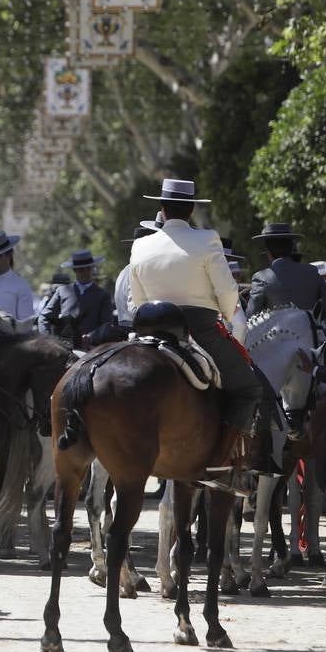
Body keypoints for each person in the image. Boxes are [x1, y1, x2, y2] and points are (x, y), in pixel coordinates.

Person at [128, 178, 263, 482]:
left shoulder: (140, 245)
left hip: (149, 332)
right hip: (198, 331)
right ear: (190, 210)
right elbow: (228, 295)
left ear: (161, 209)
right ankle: (220, 461)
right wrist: (230, 314)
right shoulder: (207, 240)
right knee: (248, 388)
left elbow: (136, 301)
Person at [246, 222, 326, 319]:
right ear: (290, 249)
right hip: (310, 333)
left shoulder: (261, 278)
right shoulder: (312, 272)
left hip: (279, 333)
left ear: (268, 251)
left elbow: (251, 316)